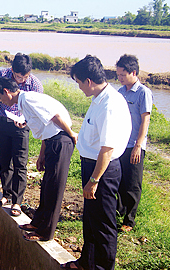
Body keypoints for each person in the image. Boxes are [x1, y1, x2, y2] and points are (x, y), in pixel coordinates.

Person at [61, 55, 131, 270]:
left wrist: (94, 180)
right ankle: (86, 262)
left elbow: (107, 149)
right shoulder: (99, 98)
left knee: (103, 224)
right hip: (93, 166)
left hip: (102, 171)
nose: (79, 87)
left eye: (79, 83)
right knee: (90, 220)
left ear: (88, 81)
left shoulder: (110, 104)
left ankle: (102, 267)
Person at [0, 76, 77, 242]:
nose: (2, 102)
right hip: (52, 141)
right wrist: (42, 154)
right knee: (46, 186)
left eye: (1, 98)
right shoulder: (23, 102)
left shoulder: (29, 99)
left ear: (7, 92)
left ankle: (46, 233)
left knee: (54, 189)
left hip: (60, 140)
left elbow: (55, 117)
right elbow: (45, 126)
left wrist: (71, 134)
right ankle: (38, 222)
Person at [0, 52, 44, 217]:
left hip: (21, 126)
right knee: (4, 160)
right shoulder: (3, 75)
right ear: (12, 70)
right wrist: (5, 97)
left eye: (24, 77)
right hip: (3, 121)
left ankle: (17, 201)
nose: (20, 80)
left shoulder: (35, 84)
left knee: (20, 163)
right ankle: (6, 194)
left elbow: (37, 110)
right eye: (18, 76)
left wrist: (25, 120)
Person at [115, 54, 153, 233]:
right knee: (120, 179)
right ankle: (119, 211)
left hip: (134, 145)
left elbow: (145, 120)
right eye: (118, 75)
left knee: (133, 183)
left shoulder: (143, 93)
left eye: (122, 75)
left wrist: (138, 145)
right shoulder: (120, 92)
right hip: (121, 143)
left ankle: (129, 220)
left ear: (133, 72)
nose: (119, 78)